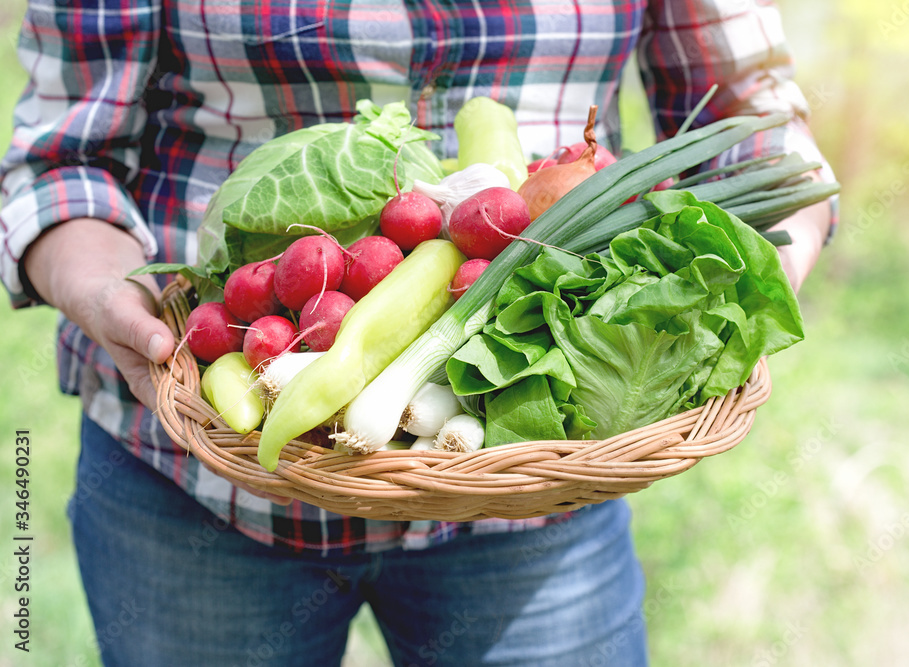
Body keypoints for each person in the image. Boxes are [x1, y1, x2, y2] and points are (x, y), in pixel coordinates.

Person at [0, 1, 834, 665]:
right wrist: (104, 291)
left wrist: (727, 311)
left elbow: (754, 128)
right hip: (196, 471)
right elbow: (60, 162)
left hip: (537, 475)